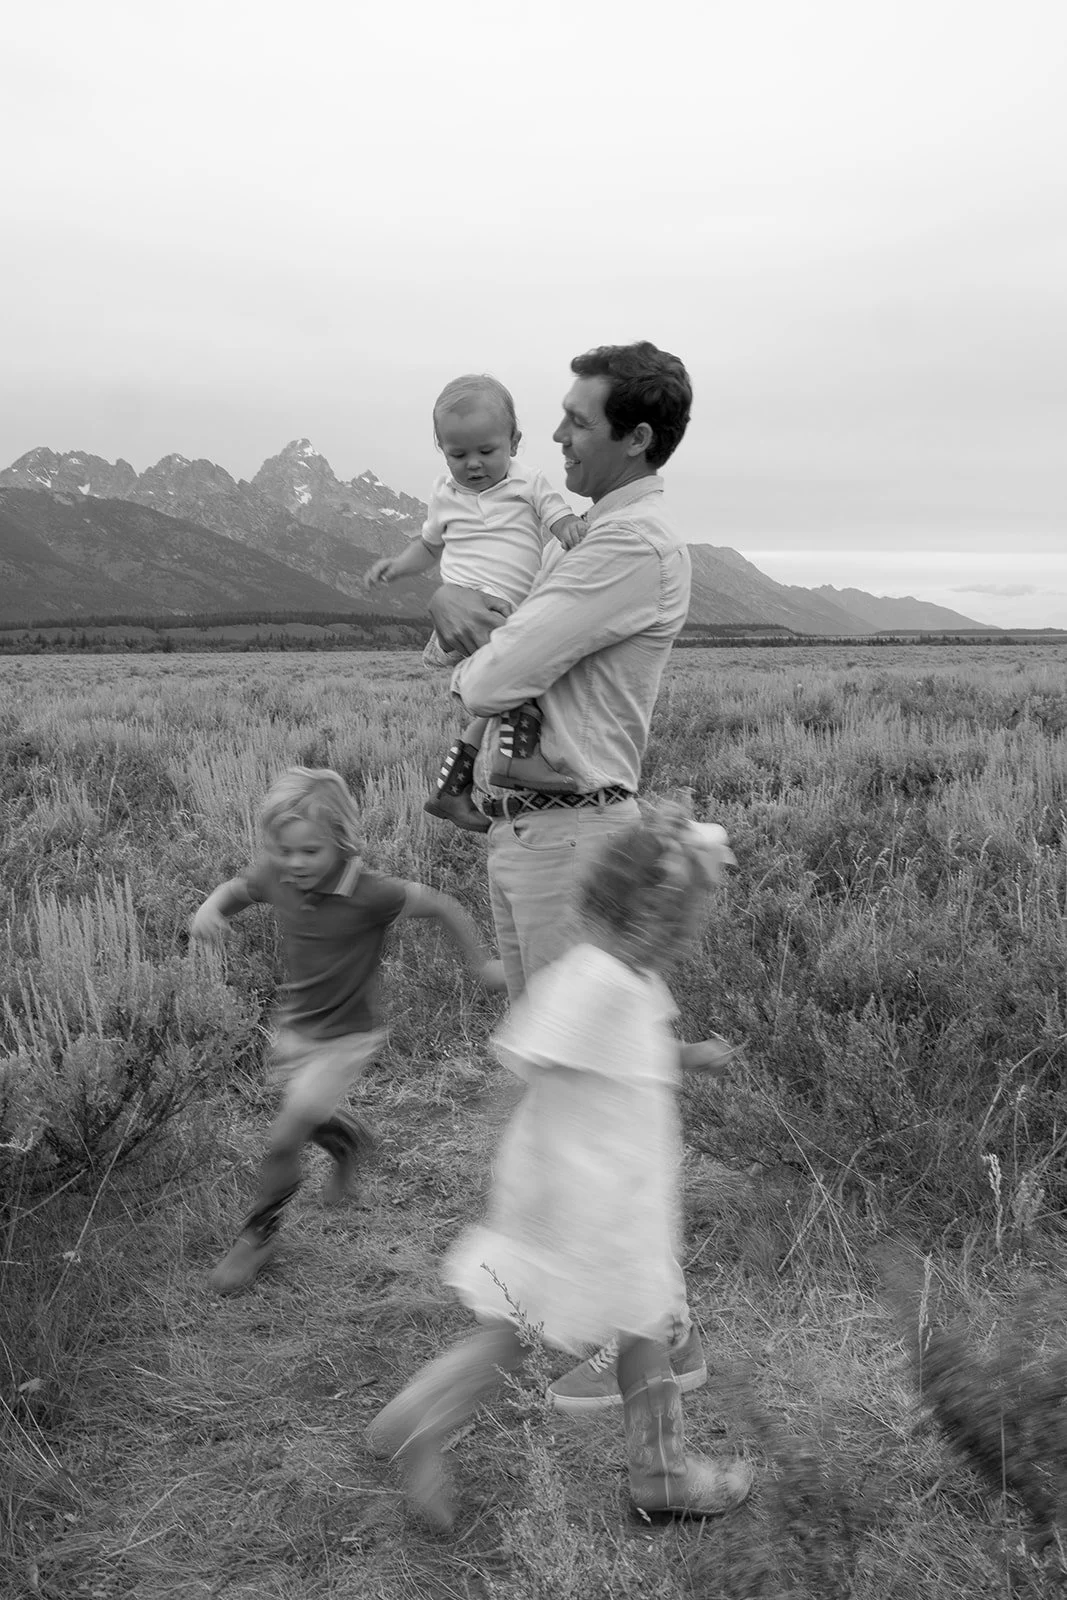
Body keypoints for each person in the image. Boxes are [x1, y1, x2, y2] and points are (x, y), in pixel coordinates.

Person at [426, 340, 704, 1411]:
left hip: (567, 836)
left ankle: (634, 1342)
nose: (555, 436)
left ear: (634, 437)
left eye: (575, 422)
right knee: (566, 1091)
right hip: (532, 829)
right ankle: (621, 1331)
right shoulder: (591, 536)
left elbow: (497, 670)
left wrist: (461, 640)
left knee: (580, 1102)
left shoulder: (626, 547)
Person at [367, 809, 752, 1531]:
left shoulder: (632, 978)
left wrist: (688, 1055)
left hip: (615, 1191)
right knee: (599, 1328)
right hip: (581, 1198)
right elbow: (521, 1066)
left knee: (536, 1332)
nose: (687, 934)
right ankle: (658, 1475)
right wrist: (519, 1179)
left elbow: (634, 1053)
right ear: (643, 915)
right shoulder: (594, 979)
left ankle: (422, 1413)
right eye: (680, 918)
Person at [189, 766, 505, 1294]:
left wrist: (481, 965)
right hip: (296, 1027)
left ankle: (257, 1236)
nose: (295, 864)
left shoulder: (371, 893)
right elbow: (236, 890)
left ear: (339, 841)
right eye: (284, 850)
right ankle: (347, 1143)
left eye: (309, 852)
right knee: (302, 1119)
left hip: (346, 1038)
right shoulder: (279, 876)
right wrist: (210, 908)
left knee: (282, 1137)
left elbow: (442, 907)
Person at [365, 374, 586, 834]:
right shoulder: (445, 495)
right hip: (473, 615)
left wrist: (568, 529)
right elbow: (428, 547)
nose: (474, 465)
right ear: (441, 450)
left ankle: (453, 786)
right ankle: (517, 762)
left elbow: (557, 514)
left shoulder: (530, 483)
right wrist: (397, 567)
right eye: (458, 454)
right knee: (532, 675)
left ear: (514, 442)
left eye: (487, 451)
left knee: (499, 698)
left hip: (508, 611)